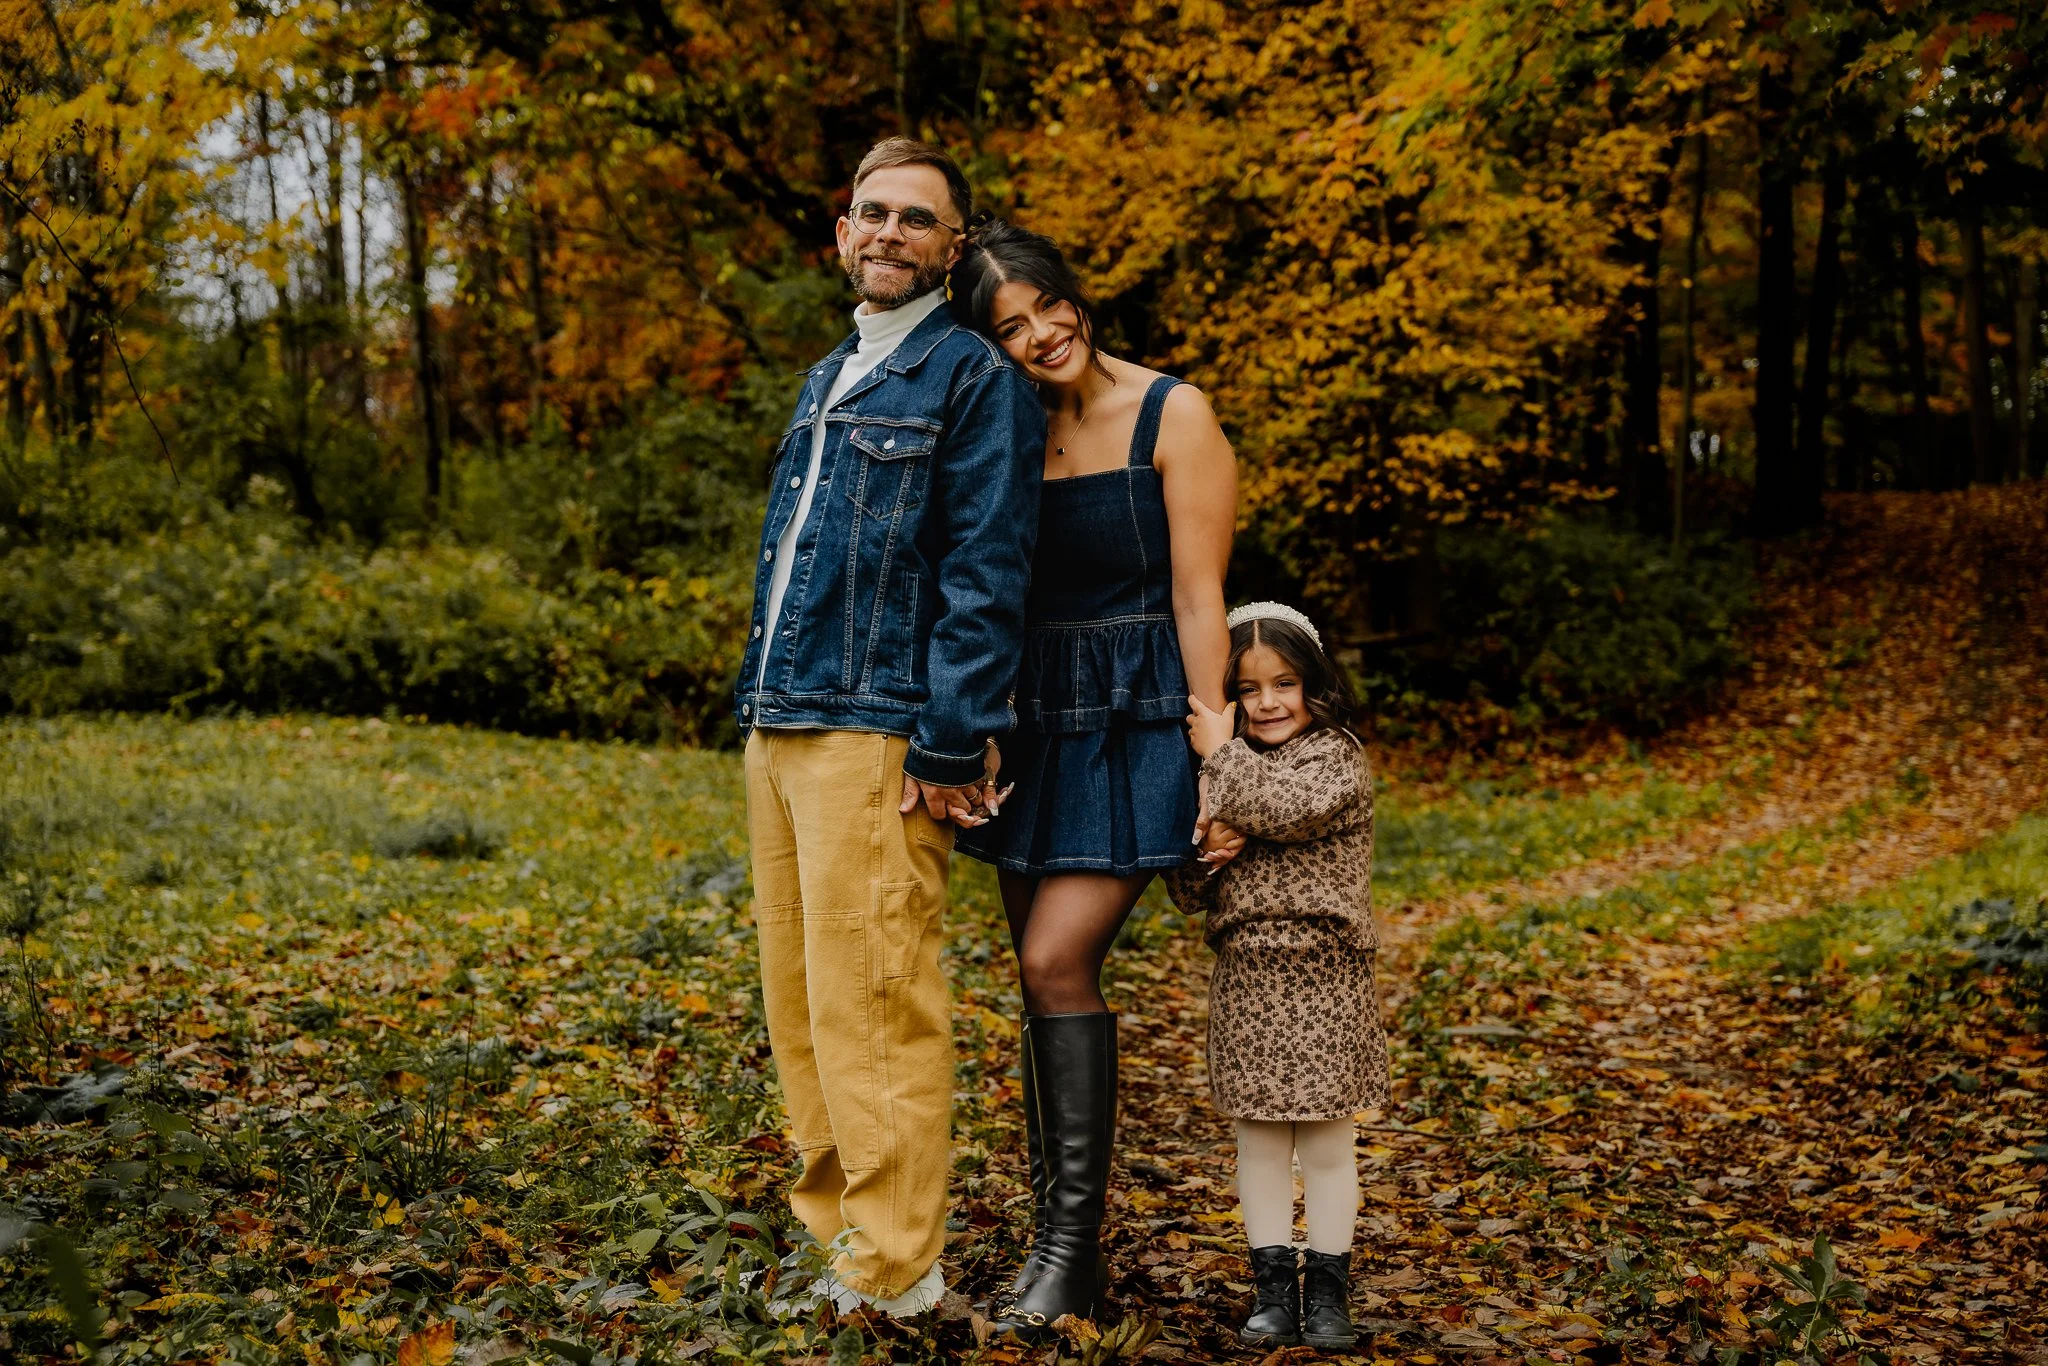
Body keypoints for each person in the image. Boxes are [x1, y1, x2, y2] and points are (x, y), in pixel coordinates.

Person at [735, 139, 1045, 1318]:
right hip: (778, 719)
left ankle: (896, 1265)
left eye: (916, 220)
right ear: (841, 230)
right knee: (804, 1002)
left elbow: (985, 573)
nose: (888, 233)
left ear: (948, 248)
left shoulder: (971, 379)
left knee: (875, 998)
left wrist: (950, 737)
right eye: (872, 213)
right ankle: (839, 1244)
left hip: (877, 731)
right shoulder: (829, 374)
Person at [945, 219, 1238, 1339]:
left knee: (1052, 956)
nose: (1037, 336)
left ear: (1075, 296)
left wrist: (1218, 762)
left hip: (1137, 713)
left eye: (1045, 308)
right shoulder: (1003, 430)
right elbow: (981, 584)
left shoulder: (1174, 412)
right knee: (1037, 984)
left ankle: (1067, 1251)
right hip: (1030, 722)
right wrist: (967, 728)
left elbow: (1198, 597)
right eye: (1007, 329)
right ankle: (1057, 1244)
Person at [1166, 603, 1386, 1351]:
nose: (1266, 703)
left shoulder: (1336, 757)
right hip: (1248, 978)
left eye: (1283, 683)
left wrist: (1223, 764)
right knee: (1259, 1142)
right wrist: (1206, 849)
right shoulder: (1221, 771)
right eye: (1248, 688)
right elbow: (1187, 888)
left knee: (1324, 1144)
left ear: (1313, 684)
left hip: (1327, 979)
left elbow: (1284, 808)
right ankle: (1272, 1291)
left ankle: (1328, 1293)